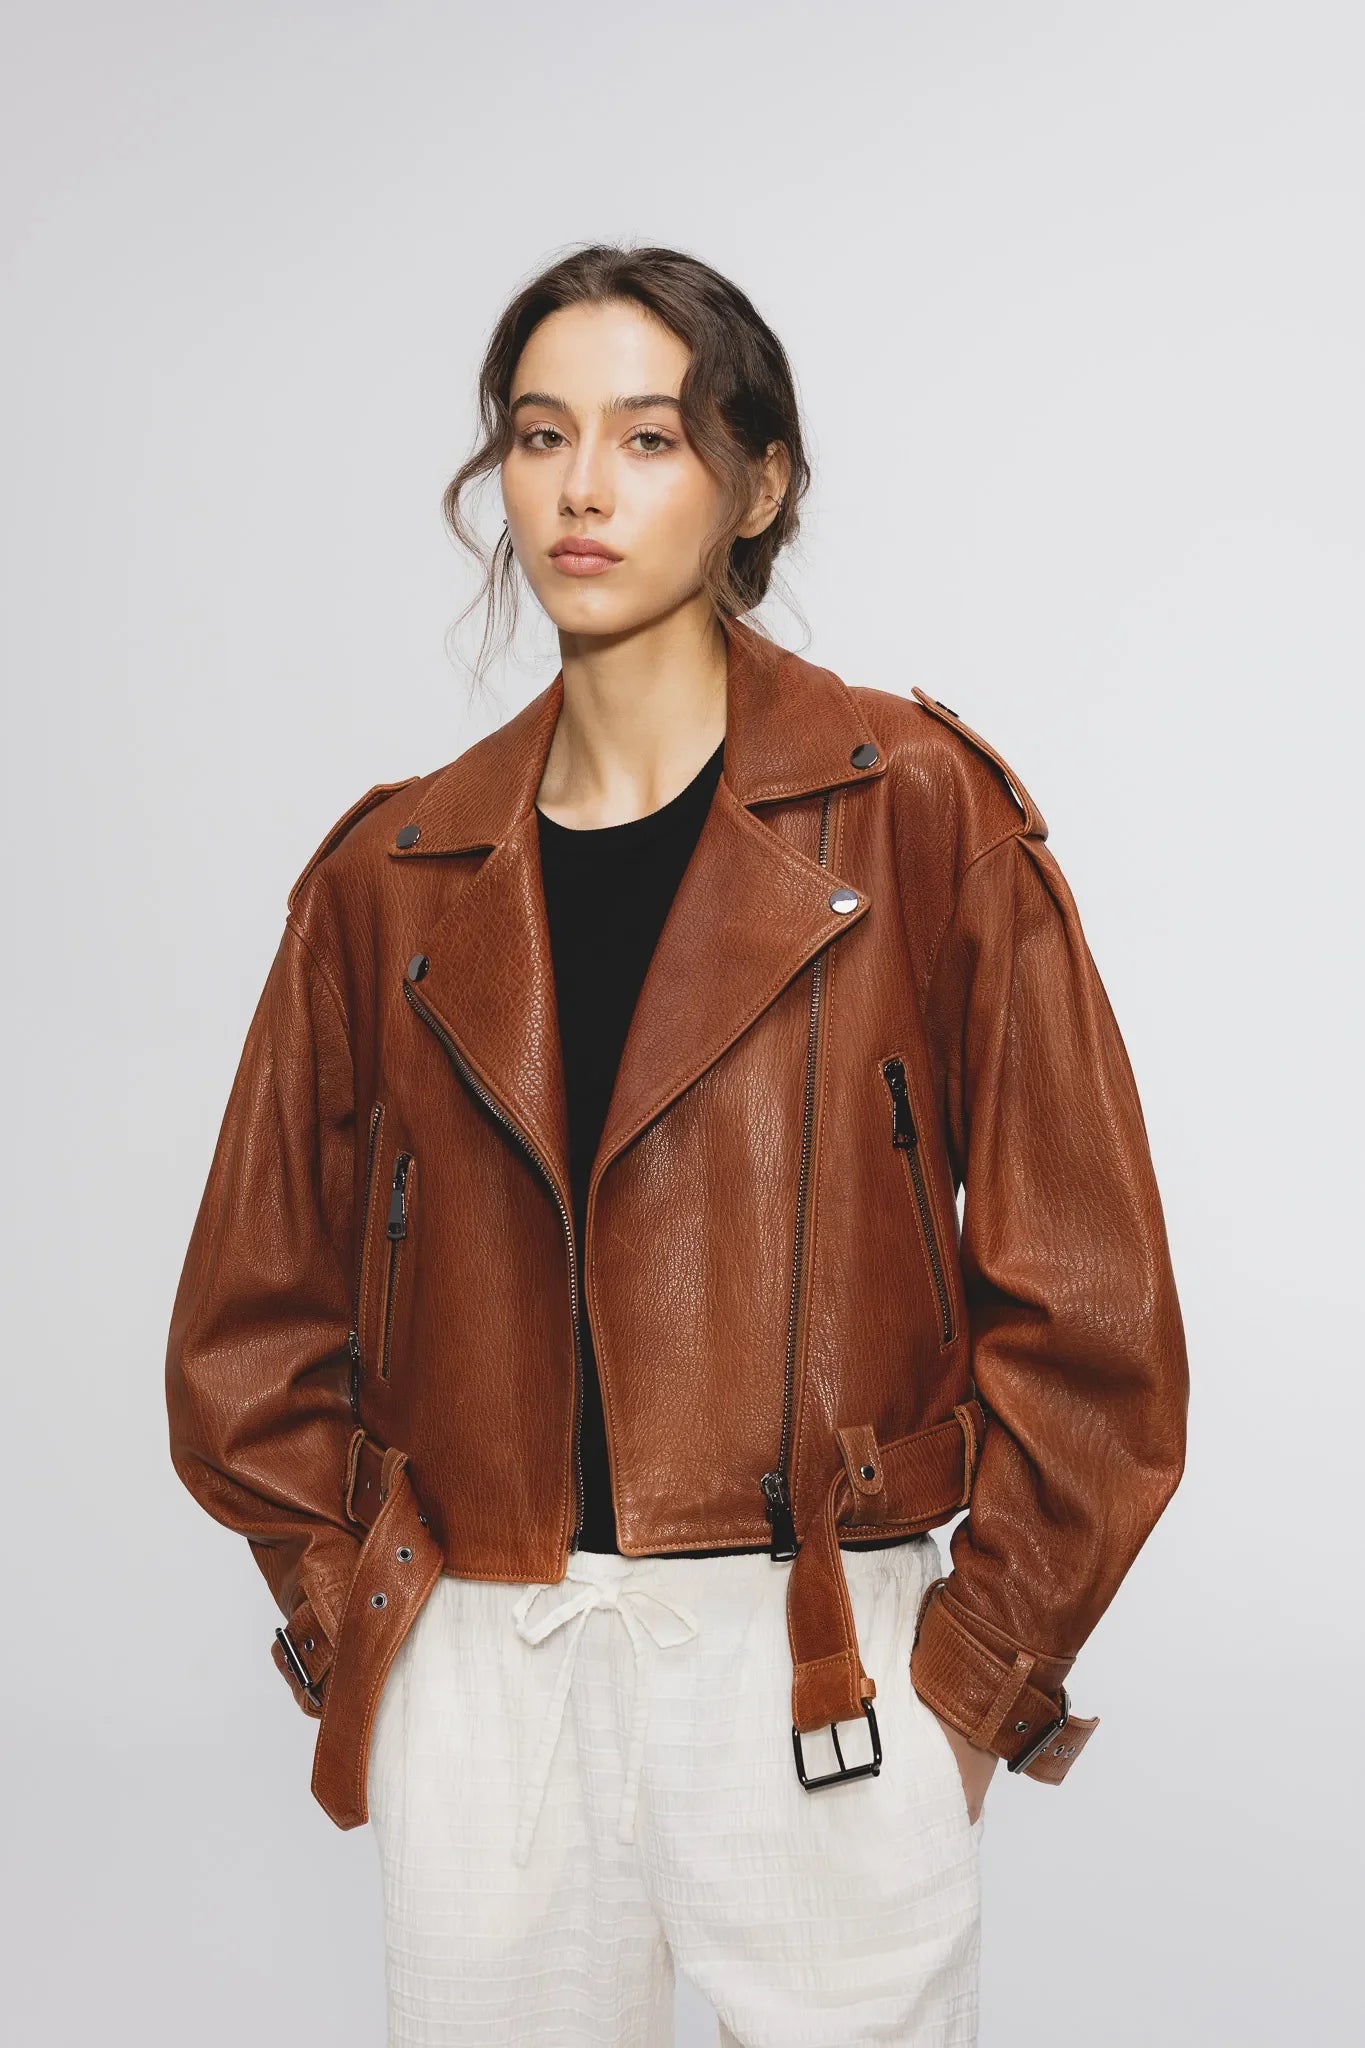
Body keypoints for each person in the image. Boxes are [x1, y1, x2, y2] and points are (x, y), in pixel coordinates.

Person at [164, 243, 1189, 2048]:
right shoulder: (388, 874)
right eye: (538, 434)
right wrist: (372, 1637)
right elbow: (245, 1336)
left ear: (756, 482)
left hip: (818, 1666)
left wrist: (973, 1682)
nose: (581, 487)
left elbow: (1092, 1314)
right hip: (488, 1665)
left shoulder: (914, 810)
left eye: (647, 438)